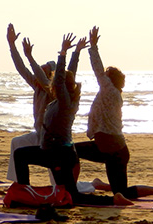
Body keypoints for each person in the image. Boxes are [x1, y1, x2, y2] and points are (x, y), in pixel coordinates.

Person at [13, 34, 131, 206]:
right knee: (71, 194)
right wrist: (74, 53)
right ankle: (113, 199)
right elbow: (68, 74)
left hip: (57, 153)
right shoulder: (66, 98)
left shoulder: (64, 102)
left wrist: (62, 54)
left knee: (20, 155)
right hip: (62, 152)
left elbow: (61, 78)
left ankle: (24, 192)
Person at [74, 27, 153, 200]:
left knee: (71, 152)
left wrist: (93, 47)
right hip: (111, 147)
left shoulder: (110, 92)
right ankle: (97, 184)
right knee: (120, 190)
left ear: (110, 79)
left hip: (113, 149)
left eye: (106, 75)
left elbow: (98, 70)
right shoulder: (109, 93)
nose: (102, 77)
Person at [6, 23, 87, 182]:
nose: (39, 72)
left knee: (59, 181)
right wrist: (12, 45)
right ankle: (17, 183)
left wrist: (30, 56)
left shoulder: (55, 92)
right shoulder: (37, 86)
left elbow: (67, 72)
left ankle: (77, 186)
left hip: (53, 141)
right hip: (39, 134)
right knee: (17, 142)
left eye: (44, 70)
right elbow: (21, 68)